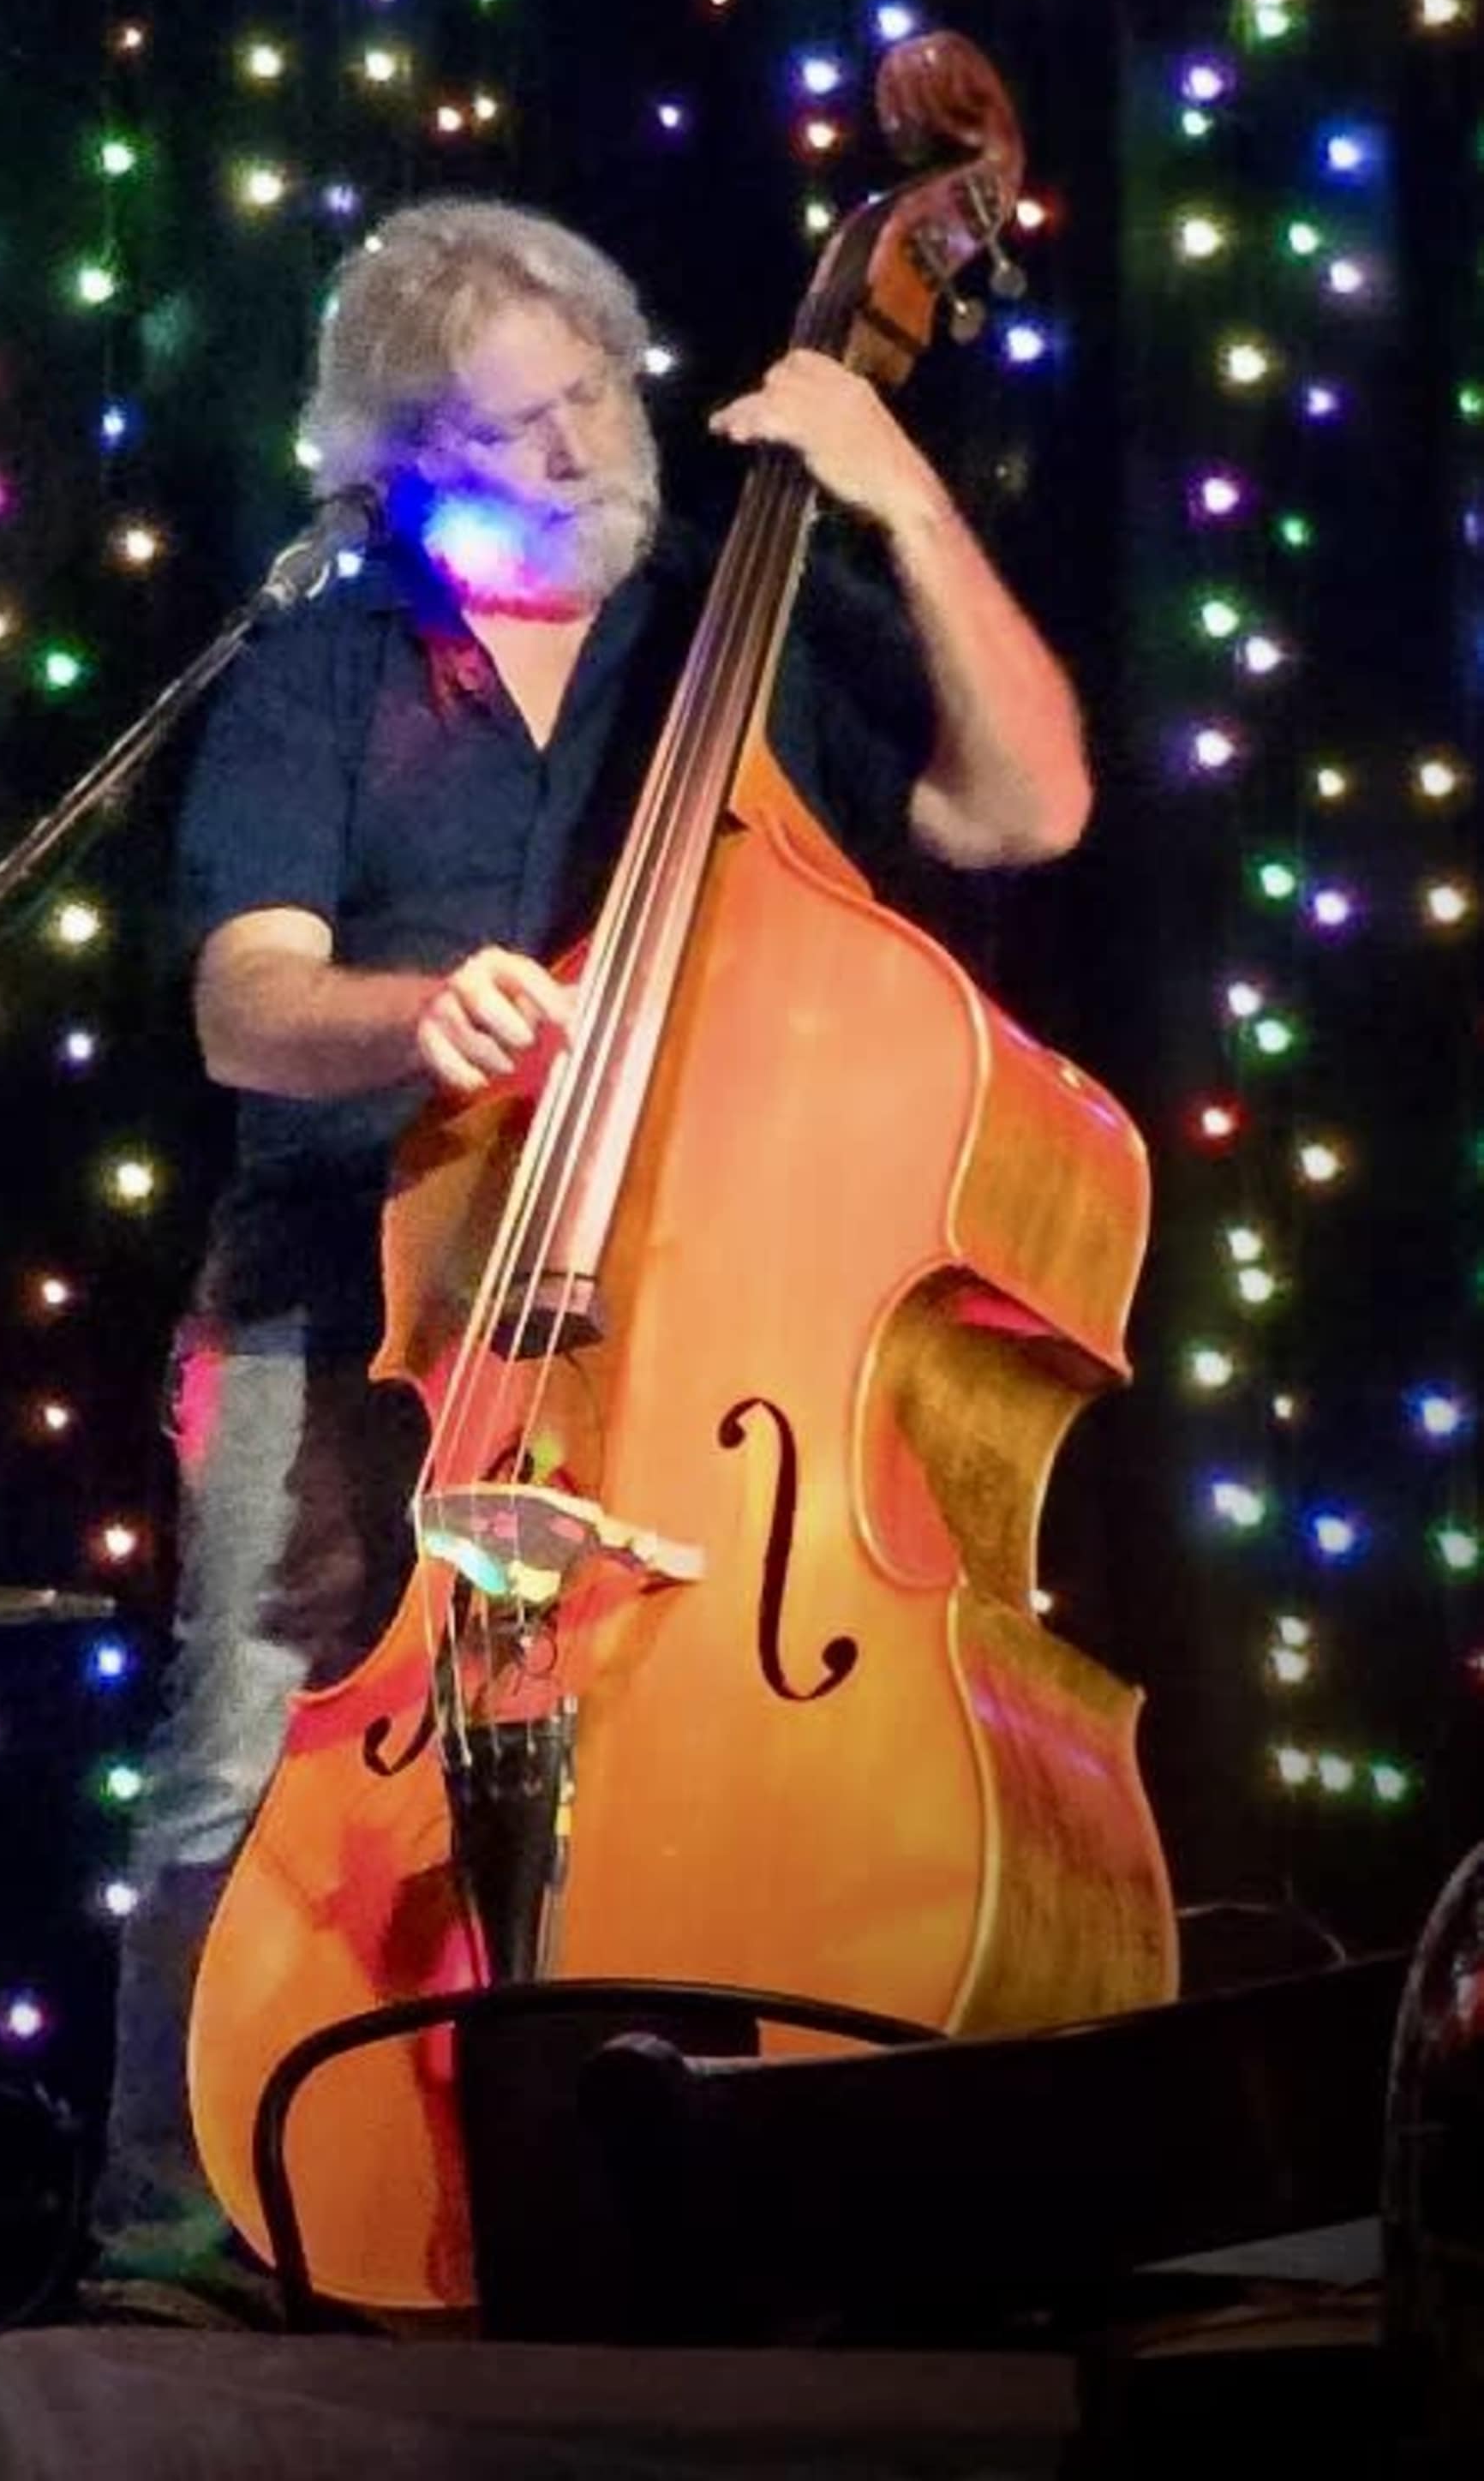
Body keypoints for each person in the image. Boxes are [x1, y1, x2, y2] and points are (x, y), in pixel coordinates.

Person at [86, 194, 1093, 2311]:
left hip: (717, 1306)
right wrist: (408, 1010)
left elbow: (1029, 810)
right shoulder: (327, 659)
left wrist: (899, 492)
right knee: (251, 1739)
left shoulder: (758, 616)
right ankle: (186, 2246)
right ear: (401, 469)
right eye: (511, 435)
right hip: (362, 1294)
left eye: (593, 401)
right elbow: (241, 997)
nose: (578, 456)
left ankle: (652, 2217)